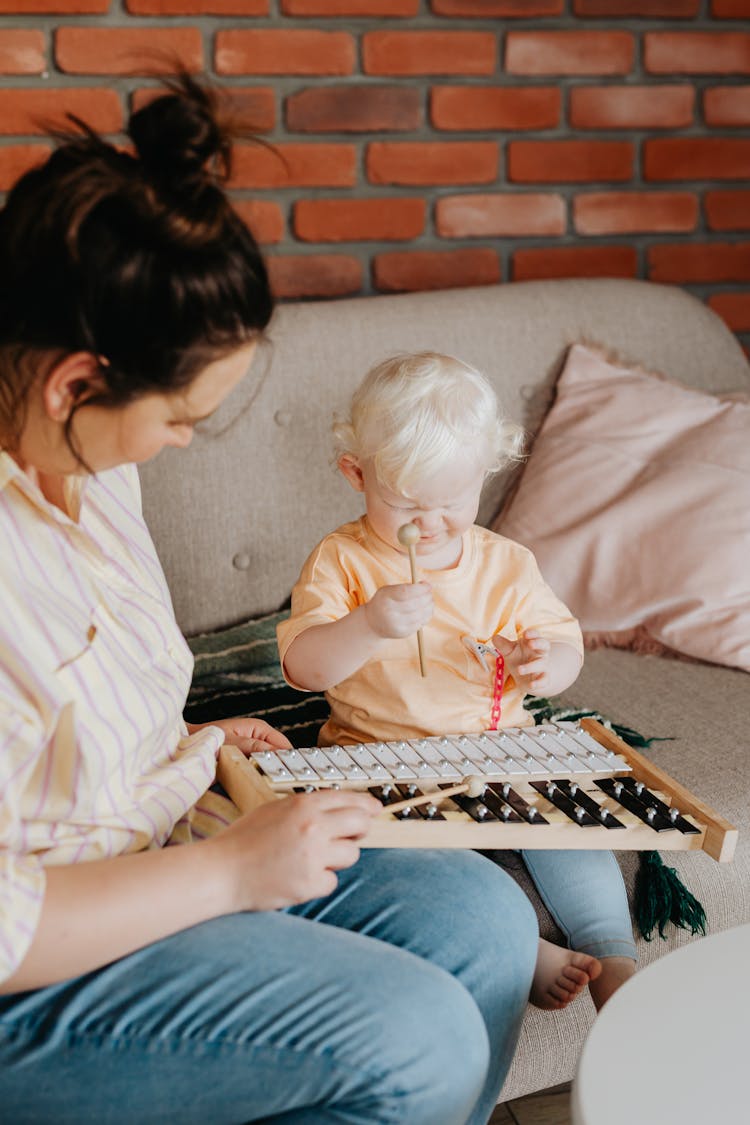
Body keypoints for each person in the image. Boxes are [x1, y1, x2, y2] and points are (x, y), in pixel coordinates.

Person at [0, 77, 542, 1124]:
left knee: (482, 918)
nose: (185, 440)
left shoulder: (93, 467)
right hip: (38, 962)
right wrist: (232, 876)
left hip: (161, 831)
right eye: (183, 415)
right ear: (75, 383)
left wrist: (186, 740)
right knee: (411, 1032)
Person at [278, 352, 638, 1012]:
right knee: (423, 861)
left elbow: (565, 644)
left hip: (502, 747)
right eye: (407, 505)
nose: (433, 522)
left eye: (452, 502)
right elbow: (305, 666)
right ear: (355, 474)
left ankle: (613, 953)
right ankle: (522, 946)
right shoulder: (344, 559)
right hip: (377, 756)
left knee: (573, 830)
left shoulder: (505, 563)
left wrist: (545, 662)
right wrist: (368, 623)